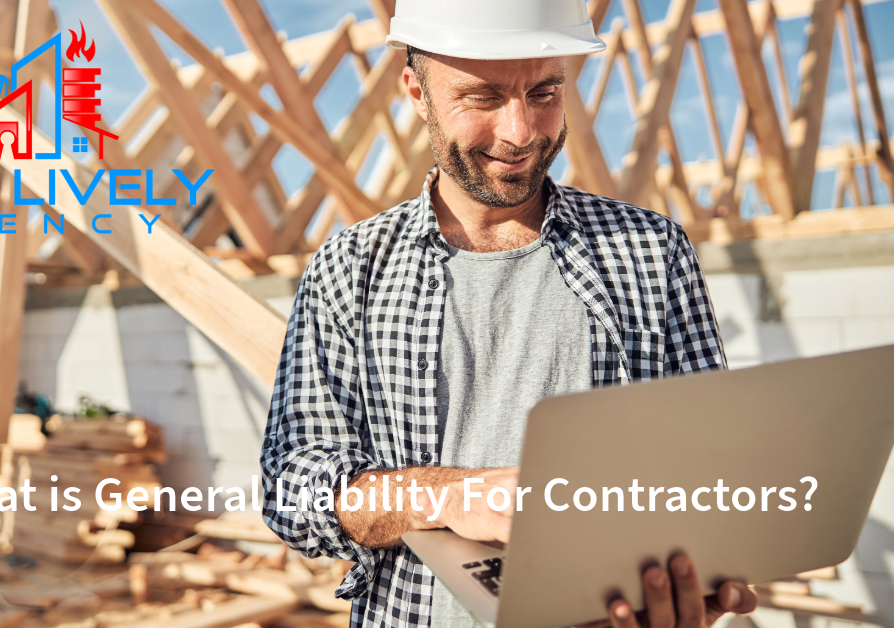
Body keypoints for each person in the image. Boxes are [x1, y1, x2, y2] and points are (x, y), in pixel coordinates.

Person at [260, 1, 758, 626]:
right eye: (483, 98)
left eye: (545, 91)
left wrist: (696, 578)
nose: (521, 132)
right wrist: (444, 496)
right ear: (417, 92)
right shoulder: (351, 267)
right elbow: (292, 490)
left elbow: (710, 465)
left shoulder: (649, 252)